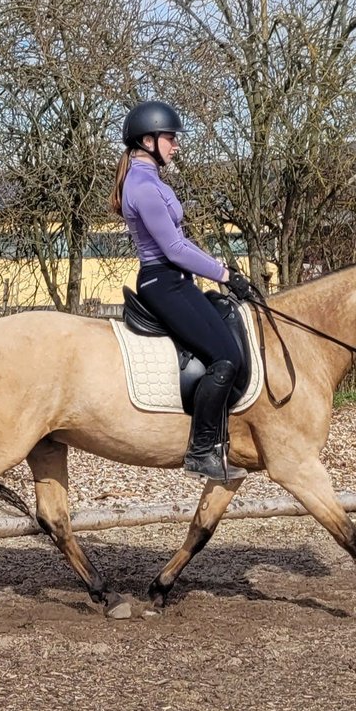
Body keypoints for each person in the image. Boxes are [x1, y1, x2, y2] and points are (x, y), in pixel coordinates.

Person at [110, 101, 255, 482]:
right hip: (163, 282)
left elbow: (182, 242)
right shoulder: (142, 186)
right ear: (148, 139)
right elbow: (173, 249)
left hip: (176, 280)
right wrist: (223, 273)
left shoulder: (153, 182)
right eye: (170, 138)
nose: (175, 145)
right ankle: (201, 450)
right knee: (225, 357)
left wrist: (222, 270)